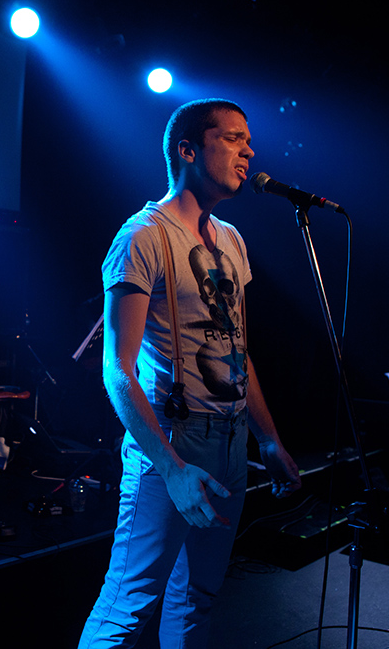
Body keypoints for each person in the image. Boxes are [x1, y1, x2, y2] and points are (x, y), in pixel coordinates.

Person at [78, 99, 301, 648]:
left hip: (230, 444)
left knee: (198, 597)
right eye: (233, 138)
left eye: (249, 140)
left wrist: (268, 440)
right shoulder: (142, 237)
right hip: (172, 443)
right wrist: (171, 467)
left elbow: (237, 353)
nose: (249, 151)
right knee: (127, 608)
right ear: (188, 150)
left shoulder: (232, 241)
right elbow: (117, 369)